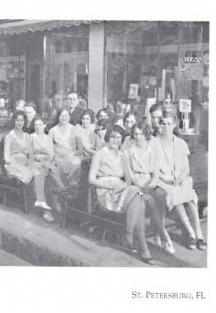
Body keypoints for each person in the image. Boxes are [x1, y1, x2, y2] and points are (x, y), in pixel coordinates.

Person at [88, 125, 155, 264]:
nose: (116, 140)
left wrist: (122, 187)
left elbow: (129, 180)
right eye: (113, 137)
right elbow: (91, 179)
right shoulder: (100, 153)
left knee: (137, 196)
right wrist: (108, 185)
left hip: (120, 188)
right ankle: (143, 248)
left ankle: (130, 232)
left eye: (119, 137)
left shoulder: (123, 154)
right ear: (108, 137)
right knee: (140, 202)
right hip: (105, 190)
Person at [154, 111, 206, 251]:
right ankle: (191, 234)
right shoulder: (154, 143)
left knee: (189, 197)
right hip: (164, 181)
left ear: (174, 124)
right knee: (176, 196)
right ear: (160, 125)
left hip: (181, 179)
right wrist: (167, 179)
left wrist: (180, 179)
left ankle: (199, 234)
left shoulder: (180, 143)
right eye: (163, 123)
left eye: (169, 124)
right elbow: (153, 169)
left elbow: (186, 169)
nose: (166, 127)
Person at [124, 120, 175, 255]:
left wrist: (150, 184)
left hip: (150, 182)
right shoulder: (128, 151)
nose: (137, 136)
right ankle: (164, 236)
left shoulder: (153, 151)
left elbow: (156, 174)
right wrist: (140, 186)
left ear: (146, 134)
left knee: (158, 196)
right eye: (135, 134)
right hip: (135, 185)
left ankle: (161, 236)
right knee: (150, 202)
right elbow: (130, 176)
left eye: (141, 134)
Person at [4, 111, 50, 214]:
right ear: (14, 121)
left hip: (26, 163)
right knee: (33, 174)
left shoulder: (27, 136)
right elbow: (6, 157)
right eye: (17, 120)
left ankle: (41, 203)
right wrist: (18, 163)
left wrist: (29, 163)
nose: (19, 123)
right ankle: (43, 208)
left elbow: (31, 155)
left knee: (39, 172)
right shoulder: (10, 136)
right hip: (13, 165)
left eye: (22, 120)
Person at [30, 116, 65, 222]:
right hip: (35, 164)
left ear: (44, 125)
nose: (37, 127)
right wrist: (41, 159)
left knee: (57, 180)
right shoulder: (31, 137)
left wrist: (46, 160)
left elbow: (51, 154)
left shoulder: (48, 138)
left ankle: (59, 203)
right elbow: (30, 155)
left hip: (47, 164)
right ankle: (46, 211)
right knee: (38, 179)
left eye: (40, 124)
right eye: (35, 125)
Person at [48, 108, 83, 185]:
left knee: (75, 163)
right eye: (61, 115)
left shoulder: (75, 129)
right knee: (56, 166)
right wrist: (55, 156)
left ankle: (70, 186)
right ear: (58, 117)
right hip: (58, 157)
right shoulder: (52, 131)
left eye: (66, 115)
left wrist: (70, 154)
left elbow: (80, 150)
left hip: (72, 156)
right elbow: (50, 150)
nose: (64, 118)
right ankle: (62, 188)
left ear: (69, 117)